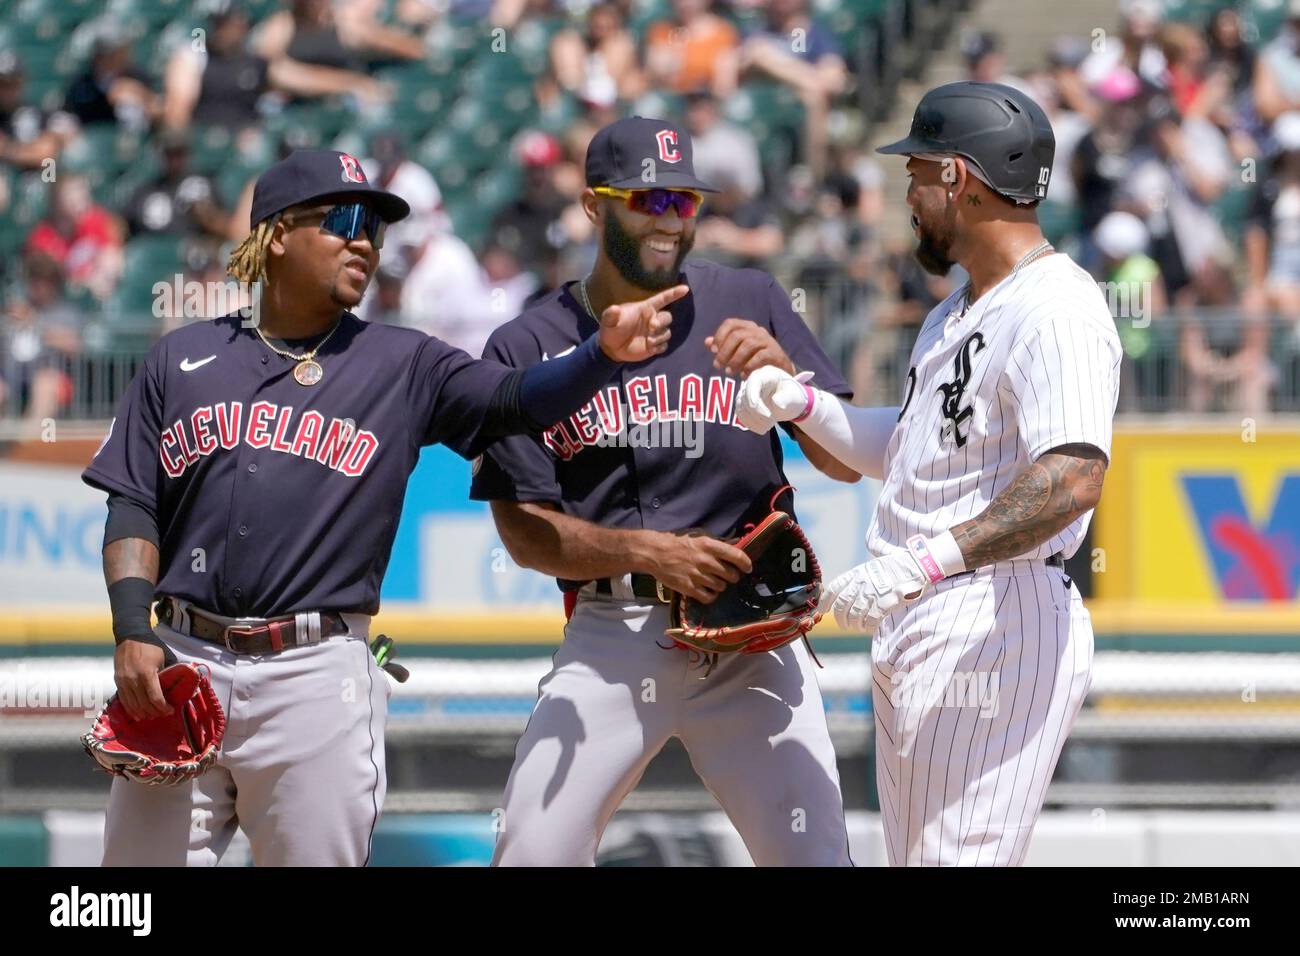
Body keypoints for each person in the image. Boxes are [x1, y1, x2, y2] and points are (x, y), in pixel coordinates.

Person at [80, 148, 687, 866]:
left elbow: (513, 399)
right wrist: (129, 627)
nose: (364, 240)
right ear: (277, 233)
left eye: (374, 225)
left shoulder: (404, 364)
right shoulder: (179, 361)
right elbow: (133, 504)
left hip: (314, 679)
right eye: (342, 220)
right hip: (181, 664)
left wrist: (599, 357)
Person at [737, 83, 1122, 866]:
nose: (906, 195)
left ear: (960, 178)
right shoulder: (955, 310)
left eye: (916, 173)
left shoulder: (1057, 307)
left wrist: (922, 563)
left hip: (996, 614)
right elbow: (915, 448)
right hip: (930, 612)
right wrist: (800, 402)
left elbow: (1075, 475)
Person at [471, 116, 860, 866]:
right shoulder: (526, 346)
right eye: (646, 200)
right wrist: (647, 550)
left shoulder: (751, 298)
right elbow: (523, 532)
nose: (668, 219)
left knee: (815, 858)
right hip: (613, 632)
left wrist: (788, 382)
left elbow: (844, 464)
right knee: (531, 853)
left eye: (682, 201)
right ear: (593, 206)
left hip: (753, 633)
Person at [162, 0, 389, 134]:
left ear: (241, 23)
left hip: (247, 139)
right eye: (218, 22)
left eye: (229, 21)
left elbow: (303, 79)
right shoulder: (194, 55)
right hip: (207, 135)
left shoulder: (254, 58)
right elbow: (177, 110)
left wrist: (354, 82)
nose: (224, 29)